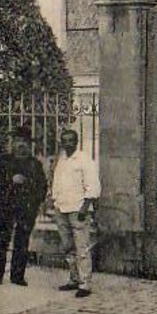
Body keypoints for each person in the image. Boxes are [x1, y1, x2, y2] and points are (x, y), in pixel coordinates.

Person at [0, 126, 47, 287]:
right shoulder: (2, 162)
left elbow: (42, 187)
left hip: (26, 209)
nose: (21, 145)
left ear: (29, 145)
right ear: (12, 143)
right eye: (18, 141)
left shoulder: (35, 165)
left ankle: (17, 275)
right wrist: (10, 182)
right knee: (0, 241)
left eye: (25, 142)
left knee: (22, 242)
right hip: (5, 207)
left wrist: (32, 196)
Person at [47, 127, 101, 298]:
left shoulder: (84, 160)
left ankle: (85, 284)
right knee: (68, 247)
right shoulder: (61, 160)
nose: (68, 143)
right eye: (65, 141)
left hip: (77, 210)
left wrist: (84, 209)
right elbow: (56, 182)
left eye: (71, 140)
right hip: (61, 208)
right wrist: (54, 202)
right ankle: (74, 279)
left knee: (81, 247)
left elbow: (92, 185)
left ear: (76, 142)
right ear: (61, 143)